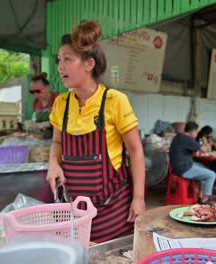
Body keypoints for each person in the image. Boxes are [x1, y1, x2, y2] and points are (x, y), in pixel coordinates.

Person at [46, 20, 146, 243]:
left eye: (67, 60)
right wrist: (53, 163)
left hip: (113, 209)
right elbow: (57, 143)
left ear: (89, 64)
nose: (60, 67)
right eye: (59, 60)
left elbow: (136, 150)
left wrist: (138, 198)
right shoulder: (61, 104)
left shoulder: (114, 101)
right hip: (75, 209)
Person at [169, 122, 216, 204]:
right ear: (192, 131)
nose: (197, 134)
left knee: (203, 168)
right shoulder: (187, 138)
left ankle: (201, 196)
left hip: (176, 168)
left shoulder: (178, 137)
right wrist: (209, 143)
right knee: (212, 175)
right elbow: (204, 149)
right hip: (184, 169)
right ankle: (205, 199)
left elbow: (192, 151)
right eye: (196, 132)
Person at [25, 72, 59, 137]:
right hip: (41, 138)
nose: (35, 94)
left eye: (38, 91)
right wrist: (31, 124)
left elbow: (63, 122)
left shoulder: (58, 100)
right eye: (32, 92)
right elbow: (34, 119)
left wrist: (44, 124)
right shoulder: (36, 102)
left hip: (56, 139)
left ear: (47, 87)